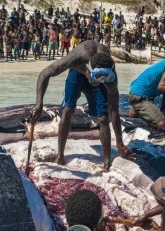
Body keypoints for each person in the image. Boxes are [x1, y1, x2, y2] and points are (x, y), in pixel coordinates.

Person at [30, 41, 135, 171]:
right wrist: (39, 104)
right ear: (87, 68)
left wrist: (120, 144)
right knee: (68, 109)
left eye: (104, 77)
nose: (100, 81)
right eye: (97, 77)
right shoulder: (76, 59)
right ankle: (60, 156)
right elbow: (45, 73)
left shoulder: (109, 78)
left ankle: (107, 163)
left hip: (101, 74)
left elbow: (114, 112)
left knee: (103, 117)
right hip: (76, 75)